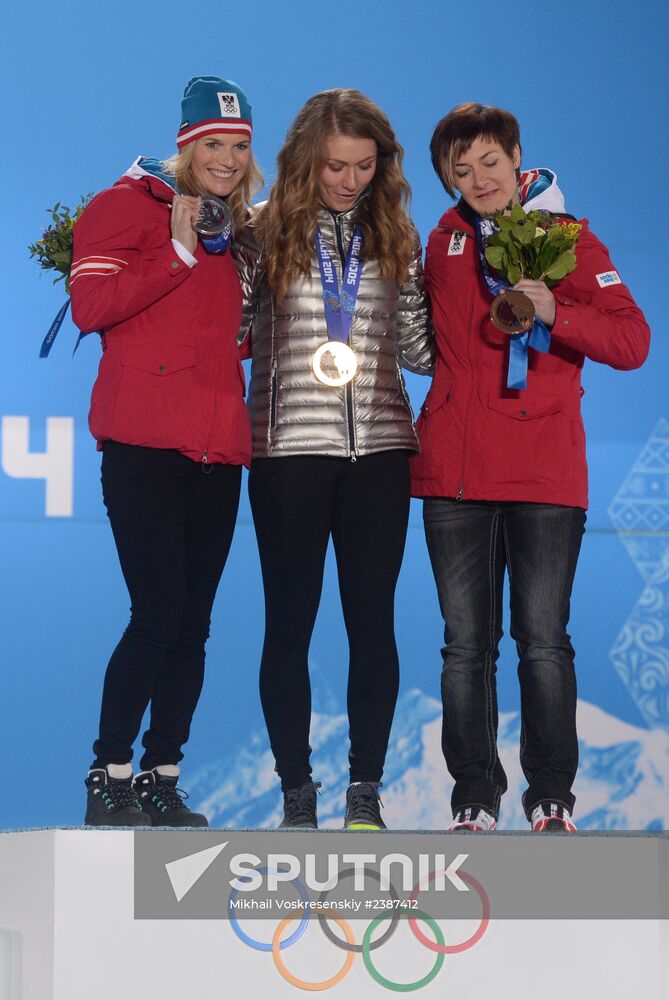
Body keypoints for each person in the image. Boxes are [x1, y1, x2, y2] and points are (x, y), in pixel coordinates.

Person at [411, 102, 650, 832]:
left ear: (516, 158)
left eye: (488, 161)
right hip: (453, 471)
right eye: (459, 169)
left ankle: (550, 796)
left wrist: (557, 313)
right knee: (463, 647)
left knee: (542, 638)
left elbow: (631, 340)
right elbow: (426, 340)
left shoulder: (568, 238)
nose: (477, 178)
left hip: (543, 472)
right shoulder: (442, 241)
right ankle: (473, 800)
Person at [234, 88, 433, 830]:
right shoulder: (260, 234)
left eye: (364, 166)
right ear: (303, 164)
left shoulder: (398, 238)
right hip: (287, 449)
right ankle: (296, 791)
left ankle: (365, 792)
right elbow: (227, 334)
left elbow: (416, 350)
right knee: (288, 624)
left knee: (371, 623)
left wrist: (493, 303)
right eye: (334, 168)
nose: (349, 181)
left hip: (379, 449)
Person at [71, 77, 262, 826]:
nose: (225, 158)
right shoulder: (123, 207)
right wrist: (177, 252)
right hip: (144, 441)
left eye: (238, 146)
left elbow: (230, 340)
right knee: (156, 611)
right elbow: (92, 308)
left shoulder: (239, 235)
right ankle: (107, 770)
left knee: (193, 623)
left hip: (219, 447)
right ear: (184, 147)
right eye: (212, 145)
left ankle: (161, 774)